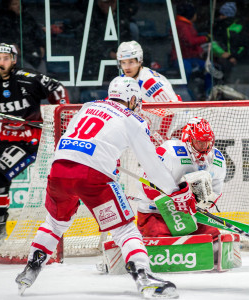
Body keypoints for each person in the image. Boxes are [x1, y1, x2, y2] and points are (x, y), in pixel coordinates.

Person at [15, 76, 196, 299]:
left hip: (59, 170)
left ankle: (30, 269)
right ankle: (144, 276)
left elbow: (85, 139)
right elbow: (154, 166)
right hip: (92, 175)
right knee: (125, 229)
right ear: (131, 99)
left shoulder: (88, 107)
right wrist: (175, 191)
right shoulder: (133, 119)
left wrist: (112, 161)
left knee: (55, 223)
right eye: (136, 100)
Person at [0, 43, 70, 249]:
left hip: (30, 140)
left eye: (6, 58)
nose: (2, 62)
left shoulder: (29, 78)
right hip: (7, 140)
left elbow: (58, 88)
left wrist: (58, 114)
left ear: (14, 60)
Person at [137, 117, 226, 261]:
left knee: (215, 240)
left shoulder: (217, 159)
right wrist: (174, 195)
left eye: (208, 143)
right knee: (163, 245)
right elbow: (144, 185)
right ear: (188, 139)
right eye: (199, 142)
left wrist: (202, 201)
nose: (204, 147)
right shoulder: (170, 151)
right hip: (156, 213)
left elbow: (215, 192)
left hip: (191, 216)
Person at [0, 0, 47, 73]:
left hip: (33, 53)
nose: (19, 6)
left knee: (42, 72)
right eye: (14, 4)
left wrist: (41, 46)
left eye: (19, 3)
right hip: (17, 56)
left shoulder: (27, 18)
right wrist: (10, 46)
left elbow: (37, 33)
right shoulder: (1, 21)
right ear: (8, 7)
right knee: (28, 73)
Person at [170, 1, 211, 100]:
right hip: (182, 58)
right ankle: (182, 95)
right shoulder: (181, 25)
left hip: (191, 57)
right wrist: (205, 39)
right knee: (186, 72)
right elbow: (189, 41)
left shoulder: (187, 24)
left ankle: (208, 93)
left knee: (210, 69)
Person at [211, 2, 248, 83]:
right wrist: (224, 55)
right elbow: (213, 43)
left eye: (223, 15)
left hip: (237, 61)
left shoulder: (239, 27)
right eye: (220, 15)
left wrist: (235, 57)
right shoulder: (217, 27)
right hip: (220, 59)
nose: (221, 17)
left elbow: (243, 46)